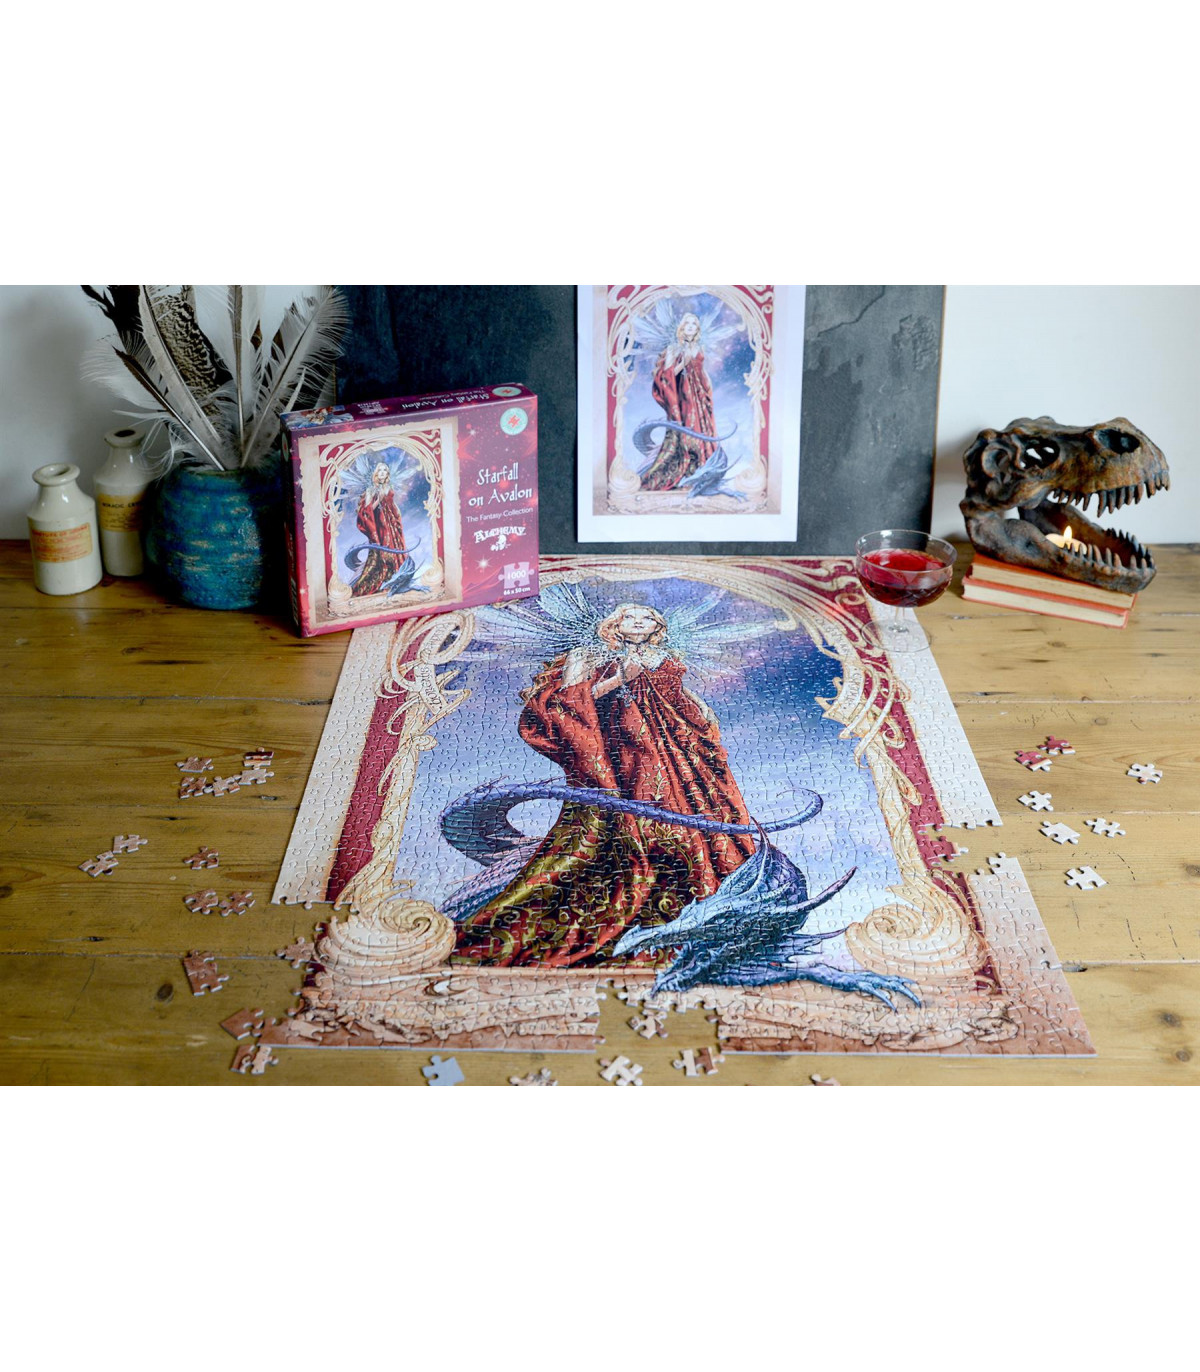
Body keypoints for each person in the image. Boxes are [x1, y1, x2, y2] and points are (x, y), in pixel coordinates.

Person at [452, 603, 755, 968]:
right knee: (643, 818)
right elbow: (568, 703)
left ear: (658, 626)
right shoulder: (588, 654)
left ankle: (695, 894)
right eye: (630, 616)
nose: (639, 621)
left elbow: (674, 694)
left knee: (685, 814)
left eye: (648, 617)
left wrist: (700, 707)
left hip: (669, 750)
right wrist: (619, 678)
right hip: (623, 748)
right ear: (614, 624)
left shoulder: (665, 656)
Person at [639, 312, 719, 491]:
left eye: (694, 324)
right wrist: (684, 362)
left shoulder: (699, 347)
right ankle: (684, 473)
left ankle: (700, 472)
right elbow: (667, 375)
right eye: (687, 323)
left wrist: (708, 388)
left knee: (701, 429)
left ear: (697, 329)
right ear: (681, 327)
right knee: (687, 431)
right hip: (683, 396)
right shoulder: (673, 348)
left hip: (699, 394)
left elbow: (702, 371)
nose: (690, 326)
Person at [351, 462, 407, 597]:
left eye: (385, 470)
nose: (382, 472)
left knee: (395, 548)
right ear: (376, 473)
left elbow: (391, 504)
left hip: (391, 523)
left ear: (387, 474)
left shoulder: (389, 487)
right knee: (384, 550)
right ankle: (383, 580)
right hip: (380, 525)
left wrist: (397, 515)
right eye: (380, 470)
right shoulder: (371, 489)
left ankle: (395, 579)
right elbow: (368, 509)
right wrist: (379, 498)